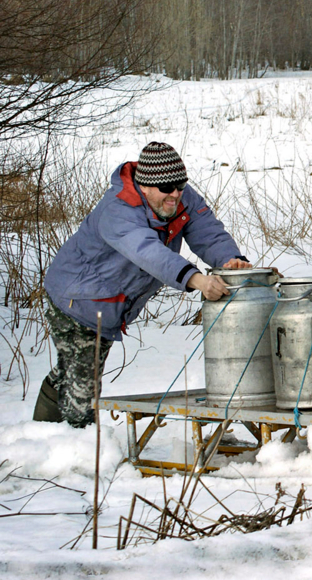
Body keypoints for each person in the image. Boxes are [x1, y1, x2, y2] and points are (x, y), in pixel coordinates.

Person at [34, 141, 255, 427]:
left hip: (106, 303)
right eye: (167, 188)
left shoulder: (178, 197)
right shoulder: (118, 210)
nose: (175, 194)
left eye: (180, 185)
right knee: (83, 386)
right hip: (77, 299)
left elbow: (207, 232)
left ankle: (42, 433)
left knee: (74, 368)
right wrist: (196, 279)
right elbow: (148, 253)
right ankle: (78, 449)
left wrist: (230, 260)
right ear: (146, 186)